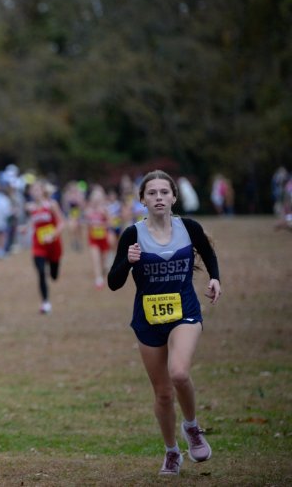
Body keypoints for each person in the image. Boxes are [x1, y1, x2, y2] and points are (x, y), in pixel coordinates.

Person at [108, 169, 221, 476]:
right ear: (142, 199)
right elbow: (113, 282)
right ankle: (172, 451)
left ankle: (192, 428)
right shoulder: (133, 234)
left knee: (180, 373)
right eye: (152, 193)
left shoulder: (189, 228)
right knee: (163, 393)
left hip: (185, 311)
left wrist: (215, 279)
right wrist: (127, 262)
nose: (159, 197)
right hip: (148, 319)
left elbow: (208, 253)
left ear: (174, 197)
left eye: (164, 192)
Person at [25, 180, 65, 314]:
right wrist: (25, 228)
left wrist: (53, 235)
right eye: (33, 190)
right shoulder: (31, 207)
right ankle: (45, 303)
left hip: (53, 245)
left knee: (53, 275)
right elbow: (32, 223)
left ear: (43, 191)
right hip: (39, 245)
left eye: (37, 189)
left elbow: (61, 223)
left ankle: (53, 270)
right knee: (41, 272)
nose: (35, 192)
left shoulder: (52, 205)